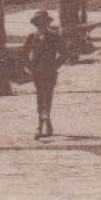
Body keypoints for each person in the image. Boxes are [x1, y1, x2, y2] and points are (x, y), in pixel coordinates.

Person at [23, 10, 65, 139]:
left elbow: (65, 53)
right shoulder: (31, 37)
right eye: (38, 23)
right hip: (37, 72)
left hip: (49, 71)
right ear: (35, 24)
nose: (41, 26)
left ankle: (41, 125)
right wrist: (29, 67)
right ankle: (45, 122)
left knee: (47, 96)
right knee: (41, 97)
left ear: (47, 24)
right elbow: (24, 54)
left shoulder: (54, 37)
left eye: (43, 23)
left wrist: (55, 65)